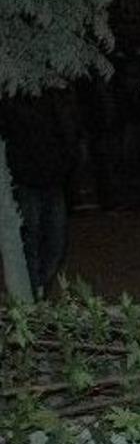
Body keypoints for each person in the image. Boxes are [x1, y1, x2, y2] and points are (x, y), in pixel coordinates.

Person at [0, 87, 82, 298]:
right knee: (30, 240)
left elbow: (68, 131)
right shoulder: (13, 99)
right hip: (26, 179)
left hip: (53, 178)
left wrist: (67, 163)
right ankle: (32, 292)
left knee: (56, 243)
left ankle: (38, 289)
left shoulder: (54, 97)